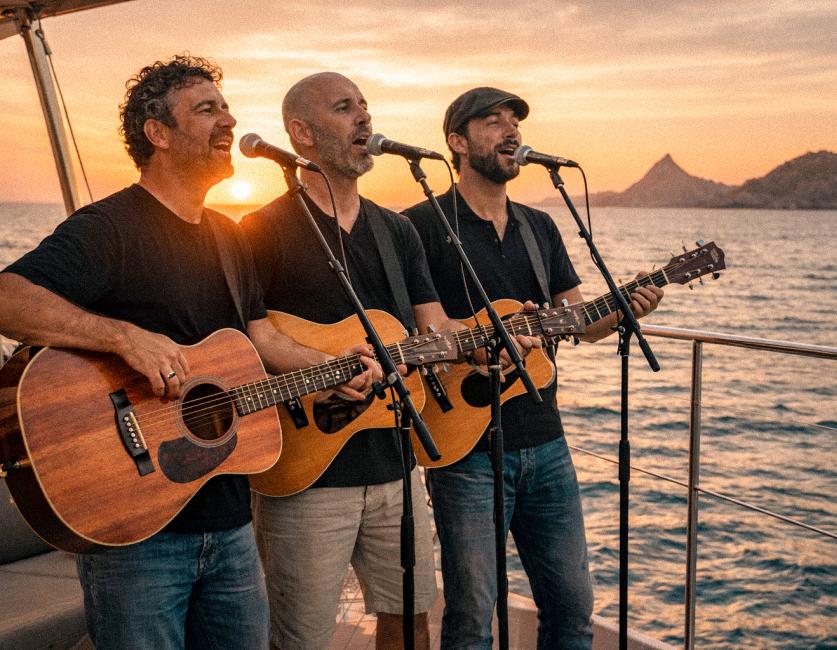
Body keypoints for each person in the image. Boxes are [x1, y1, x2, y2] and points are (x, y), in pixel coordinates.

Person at [0, 55, 376, 649]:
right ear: (159, 134)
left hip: (228, 524)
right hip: (135, 532)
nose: (228, 119)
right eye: (207, 109)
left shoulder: (229, 238)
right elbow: (7, 297)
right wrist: (123, 337)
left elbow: (261, 340)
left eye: (226, 106)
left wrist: (328, 369)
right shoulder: (109, 228)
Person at [402, 87, 664, 649]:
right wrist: (472, 345)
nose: (511, 131)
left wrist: (624, 308)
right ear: (456, 142)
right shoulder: (418, 226)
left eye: (514, 122)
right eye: (492, 122)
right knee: (472, 613)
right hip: (464, 446)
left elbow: (576, 320)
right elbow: (404, 334)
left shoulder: (537, 227)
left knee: (572, 607)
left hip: (546, 441)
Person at [241, 72, 479, 650]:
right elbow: (247, 341)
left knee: (411, 622)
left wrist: (498, 334)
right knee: (302, 639)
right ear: (301, 133)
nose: (365, 118)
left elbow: (435, 331)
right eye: (344, 108)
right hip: (306, 470)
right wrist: (324, 368)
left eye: (365, 106)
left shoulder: (398, 231)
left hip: (396, 462)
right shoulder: (259, 229)